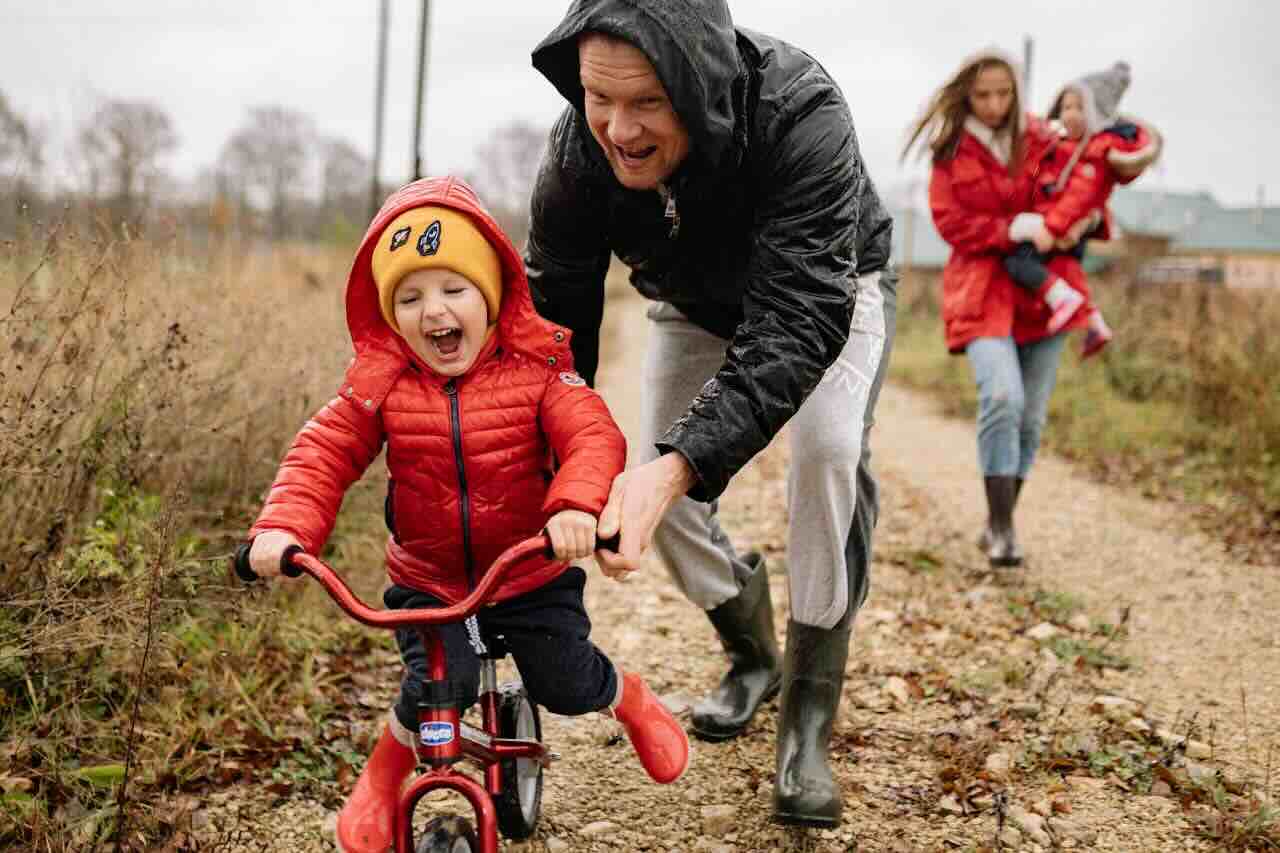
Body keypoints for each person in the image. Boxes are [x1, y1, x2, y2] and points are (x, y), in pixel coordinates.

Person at [525, 0, 895, 827]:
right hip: (690, 303)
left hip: (829, 289)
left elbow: (799, 319)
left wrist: (680, 465)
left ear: (698, 84)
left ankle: (807, 718)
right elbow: (554, 325)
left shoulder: (803, 114)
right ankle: (752, 652)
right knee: (658, 480)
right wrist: (557, 463)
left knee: (828, 451)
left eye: (647, 101)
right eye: (598, 98)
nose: (618, 129)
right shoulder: (575, 154)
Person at [242, 177, 689, 853]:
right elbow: (323, 451)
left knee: (564, 681)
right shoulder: (382, 383)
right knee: (431, 687)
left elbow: (593, 436)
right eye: (411, 297)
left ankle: (627, 697)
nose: (434, 312)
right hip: (429, 579)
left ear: (491, 292)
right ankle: (381, 779)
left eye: (454, 289)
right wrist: (283, 527)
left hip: (528, 570)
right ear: (391, 314)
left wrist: (573, 506)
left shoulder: (538, 371)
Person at [903, 49, 1157, 568]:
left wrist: (1094, 216)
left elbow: (1090, 166)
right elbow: (951, 224)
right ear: (966, 96)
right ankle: (1000, 528)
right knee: (1002, 397)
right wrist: (1011, 229)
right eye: (983, 95)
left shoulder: (1040, 135)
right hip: (981, 289)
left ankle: (1002, 521)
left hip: (1045, 291)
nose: (995, 104)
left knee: (1031, 418)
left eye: (1003, 93)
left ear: (1016, 93)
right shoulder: (950, 151)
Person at [1001, 60, 1161, 357]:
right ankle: (1094, 322)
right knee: (1067, 271)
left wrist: (1052, 228)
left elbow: (1078, 197)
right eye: (1066, 107)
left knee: (1018, 262)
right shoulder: (1062, 147)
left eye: (1079, 107)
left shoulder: (1093, 153)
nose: (1070, 114)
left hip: (1057, 227)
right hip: (1058, 225)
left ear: (1097, 114)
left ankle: (1063, 301)